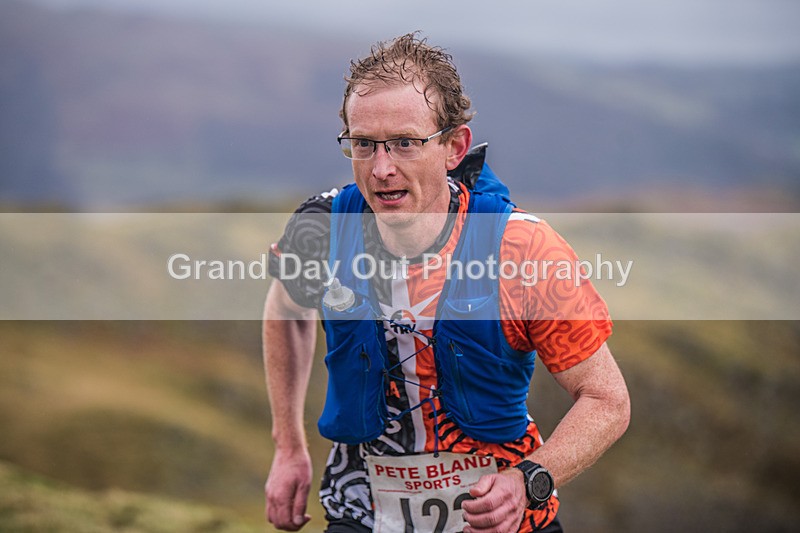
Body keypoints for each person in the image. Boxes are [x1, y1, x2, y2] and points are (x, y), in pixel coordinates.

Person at [263, 33, 630, 533]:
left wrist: (530, 480)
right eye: (364, 144)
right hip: (362, 510)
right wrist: (288, 446)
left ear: (454, 146)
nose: (382, 168)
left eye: (406, 143)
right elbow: (286, 308)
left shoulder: (522, 250)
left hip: (504, 515)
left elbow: (607, 400)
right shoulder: (320, 228)